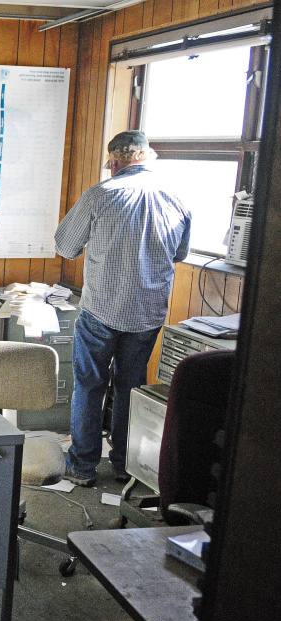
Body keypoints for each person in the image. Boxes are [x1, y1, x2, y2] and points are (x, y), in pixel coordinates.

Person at [54, 130, 191, 487]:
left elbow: (66, 247)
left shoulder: (101, 194)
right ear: (147, 158)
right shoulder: (177, 198)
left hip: (102, 309)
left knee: (89, 385)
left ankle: (83, 467)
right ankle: (123, 465)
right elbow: (179, 255)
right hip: (147, 313)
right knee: (131, 386)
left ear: (114, 163)